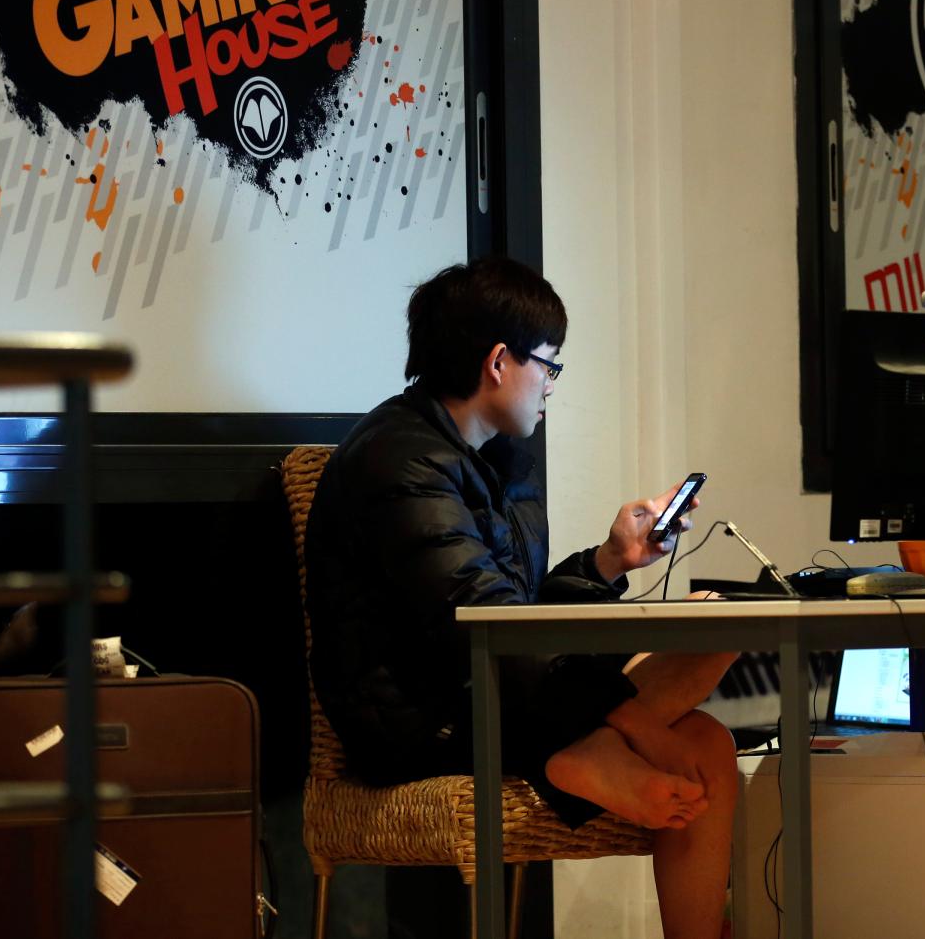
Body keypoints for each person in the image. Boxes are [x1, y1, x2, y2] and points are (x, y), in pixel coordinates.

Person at [305, 257, 739, 939]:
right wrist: (638, 723)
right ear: (499, 362)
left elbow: (519, 606)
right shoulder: (399, 460)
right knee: (682, 724)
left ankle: (587, 751)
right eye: (549, 364)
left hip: (498, 684)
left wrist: (610, 560)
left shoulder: (501, 455)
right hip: (423, 720)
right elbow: (481, 625)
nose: (552, 385)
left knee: (713, 676)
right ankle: (578, 752)